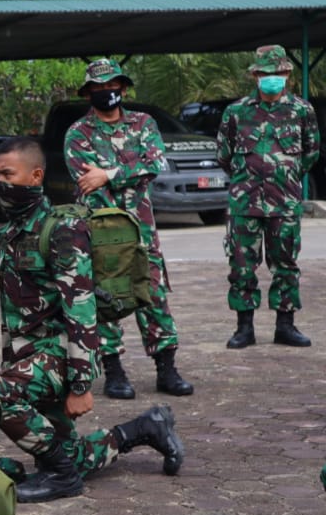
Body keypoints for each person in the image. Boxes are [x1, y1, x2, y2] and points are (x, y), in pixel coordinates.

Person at [0, 138, 185, 503]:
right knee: (70, 453)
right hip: (31, 356)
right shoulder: (9, 235)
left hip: (61, 356)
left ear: (35, 176)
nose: (0, 182)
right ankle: (145, 428)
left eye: (8, 173)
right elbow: (11, 314)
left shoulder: (63, 229)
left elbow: (81, 310)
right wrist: (11, 363)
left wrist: (81, 385)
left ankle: (62, 478)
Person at [63, 58, 194, 399]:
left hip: (143, 230)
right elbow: (87, 183)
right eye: (100, 87)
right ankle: (115, 373)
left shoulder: (143, 123)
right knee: (108, 297)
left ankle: (167, 369)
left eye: (113, 85)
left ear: (122, 88)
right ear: (89, 91)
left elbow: (157, 163)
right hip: (103, 231)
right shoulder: (78, 134)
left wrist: (109, 173)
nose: (108, 92)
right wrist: (123, 174)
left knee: (153, 295)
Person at [217, 44, 320, 349]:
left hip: (284, 202)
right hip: (244, 202)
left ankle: (285, 326)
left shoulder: (302, 110)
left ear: (287, 73)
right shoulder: (237, 112)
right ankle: (244, 328)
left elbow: (311, 153)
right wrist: (247, 177)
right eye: (265, 73)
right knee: (241, 266)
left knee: (286, 264)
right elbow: (224, 153)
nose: (271, 78)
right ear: (256, 75)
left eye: (277, 73)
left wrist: (284, 176)